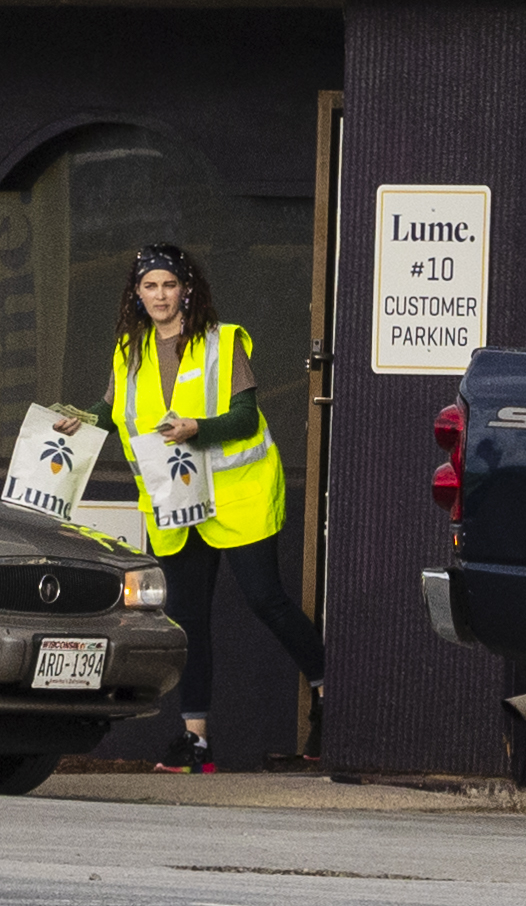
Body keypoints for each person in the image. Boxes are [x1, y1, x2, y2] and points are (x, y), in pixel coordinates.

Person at [55, 243, 325, 773]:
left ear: (187, 290)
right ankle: (194, 741)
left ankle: (328, 690)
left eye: (169, 285)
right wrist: (76, 420)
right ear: (136, 294)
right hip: (174, 500)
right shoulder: (129, 350)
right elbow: (113, 413)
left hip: (236, 493)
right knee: (188, 621)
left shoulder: (224, 343)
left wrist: (198, 428)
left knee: (266, 600)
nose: (160, 295)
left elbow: (246, 420)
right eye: (149, 286)